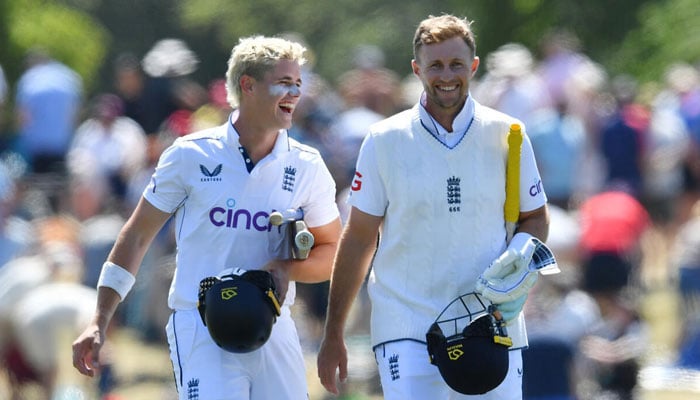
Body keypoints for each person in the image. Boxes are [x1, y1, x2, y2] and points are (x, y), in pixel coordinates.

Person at [72, 35, 342, 400]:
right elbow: (136, 236)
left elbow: (331, 253)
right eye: (283, 83)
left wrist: (285, 269)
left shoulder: (307, 164)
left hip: (274, 327)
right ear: (247, 85)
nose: (295, 94)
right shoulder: (189, 154)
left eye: (297, 83)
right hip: (201, 327)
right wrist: (99, 320)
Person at [317, 14, 550, 400]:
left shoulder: (507, 134)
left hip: (489, 323)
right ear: (416, 69)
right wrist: (333, 332)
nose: (447, 75)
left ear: (473, 66)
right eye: (435, 65)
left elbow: (534, 216)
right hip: (406, 324)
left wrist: (520, 256)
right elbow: (358, 238)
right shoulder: (383, 139)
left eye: (456, 64)